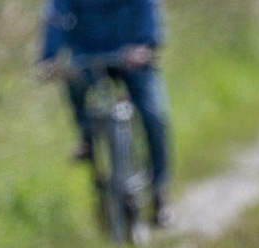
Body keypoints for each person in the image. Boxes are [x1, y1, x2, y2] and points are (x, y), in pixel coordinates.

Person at [38, 0, 173, 227]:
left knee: (154, 117)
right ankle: (87, 137)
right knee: (73, 79)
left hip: (132, 57)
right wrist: (49, 57)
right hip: (87, 58)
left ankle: (159, 193)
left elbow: (148, 8)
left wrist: (146, 44)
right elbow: (56, 17)